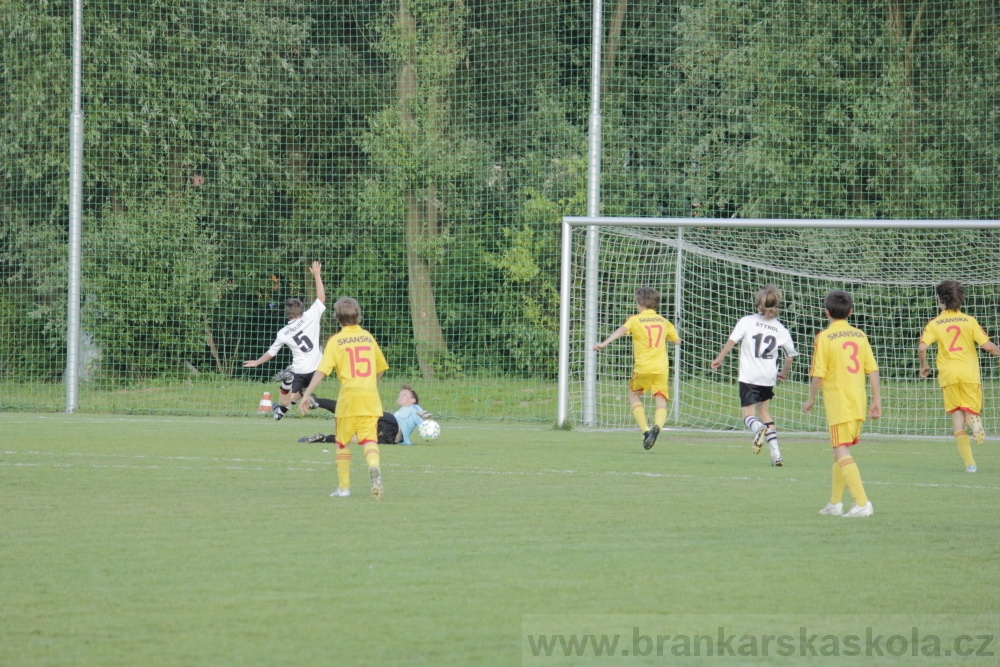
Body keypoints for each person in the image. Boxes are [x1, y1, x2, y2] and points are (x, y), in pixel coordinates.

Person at [300, 297, 389, 500]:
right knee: (369, 440)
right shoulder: (367, 337)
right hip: (369, 397)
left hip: (349, 398)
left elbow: (322, 371)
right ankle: (374, 468)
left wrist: (306, 395)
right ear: (358, 314)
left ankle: (344, 488)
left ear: (337, 318)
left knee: (342, 443)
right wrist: (369, 384)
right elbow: (381, 368)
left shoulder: (336, 341)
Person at [803, 290, 881, 518]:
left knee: (841, 449)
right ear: (850, 311)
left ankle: (862, 503)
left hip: (839, 402)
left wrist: (811, 398)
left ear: (826, 312)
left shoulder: (824, 337)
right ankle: (835, 503)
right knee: (838, 451)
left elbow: (818, 374)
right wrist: (877, 400)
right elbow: (872, 369)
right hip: (858, 401)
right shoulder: (860, 335)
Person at [917, 280, 1000, 473]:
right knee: (970, 412)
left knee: (956, 416)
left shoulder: (935, 323)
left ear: (941, 301)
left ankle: (970, 464)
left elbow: (922, 347)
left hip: (948, 375)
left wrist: (924, 365)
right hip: (969, 373)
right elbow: (988, 346)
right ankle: (974, 423)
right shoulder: (969, 321)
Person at [710, 285, 798, 466]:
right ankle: (776, 454)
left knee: (748, 415)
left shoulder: (747, 321)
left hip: (749, 375)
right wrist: (783, 373)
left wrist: (719, 358)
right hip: (768, 377)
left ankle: (759, 429)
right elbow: (790, 357)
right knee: (764, 412)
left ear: (758, 304)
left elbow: (732, 341)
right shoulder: (780, 329)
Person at [243, 261, 336, 420]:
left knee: (286, 400)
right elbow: (321, 297)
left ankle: (285, 391)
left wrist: (257, 362)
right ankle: (281, 409)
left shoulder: (283, 332)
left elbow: (271, 353)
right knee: (297, 397)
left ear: (288, 314)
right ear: (301, 310)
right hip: (317, 368)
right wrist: (317, 275)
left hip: (299, 370)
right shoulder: (311, 316)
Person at [594, 286, 682, 450]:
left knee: (633, 395)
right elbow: (677, 341)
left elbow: (622, 330)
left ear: (640, 303)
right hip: (661, 368)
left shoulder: (635, 319)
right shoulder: (664, 321)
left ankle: (646, 431)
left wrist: (604, 343)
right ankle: (657, 427)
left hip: (643, 367)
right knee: (661, 400)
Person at [297, 386, 433, 446]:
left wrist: (425, 417)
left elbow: (425, 421)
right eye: (400, 394)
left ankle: (317, 403)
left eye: (404, 394)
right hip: (391, 438)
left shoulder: (414, 408)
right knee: (354, 438)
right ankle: (324, 438)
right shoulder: (399, 412)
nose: (400, 396)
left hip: (392, 426)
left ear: (413, 400)